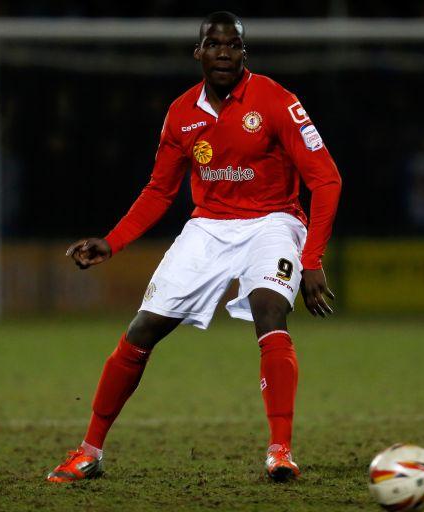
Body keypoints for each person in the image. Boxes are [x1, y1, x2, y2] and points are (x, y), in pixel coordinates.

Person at [47, 11, 342, 483]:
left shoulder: (276, 101)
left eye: (233, 45)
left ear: (244, 53)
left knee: (270, 310)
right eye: (214, 44)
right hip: (208, 228)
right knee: (143, 329)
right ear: (198, 52)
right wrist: (113, 241)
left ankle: (280, 451)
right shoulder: (182, 113)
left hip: (273, 221)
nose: (224, 52)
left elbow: (326, 180)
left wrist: (312, 260)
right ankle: (89, 451)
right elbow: (159, 191)